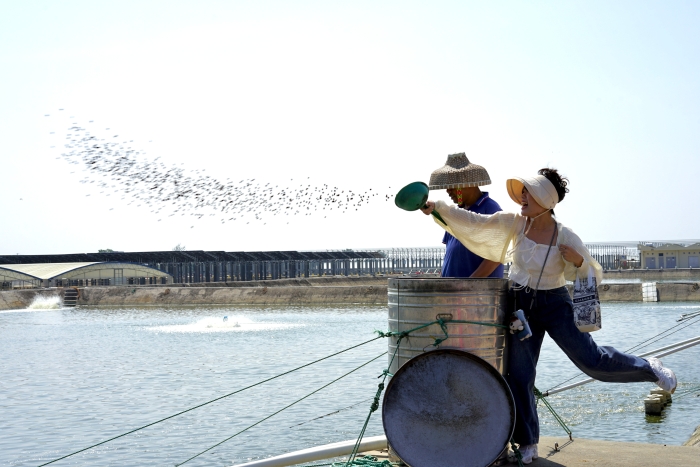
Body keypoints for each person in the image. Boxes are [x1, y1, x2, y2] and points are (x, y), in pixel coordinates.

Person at [420, 168, 677, 465]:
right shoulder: (514, 224)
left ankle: (649, 367)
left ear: (545, 198)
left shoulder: (565, 235)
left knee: (592, 361)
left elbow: (592, 274)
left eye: (528, 193)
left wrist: (579, 261)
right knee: (520, 376)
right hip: (519, 305)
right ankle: (527, 441)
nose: (522, 198)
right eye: (523, 193)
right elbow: (475, 222)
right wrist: (439, 208)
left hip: (555, 304)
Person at [428, 153, 504, 278]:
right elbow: (450, 253)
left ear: (466, 183)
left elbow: (497, 255)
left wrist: (470, 283)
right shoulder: (456, 214)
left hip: (475, 294)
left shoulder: (490, 209)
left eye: (452, 186)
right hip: (454, 292)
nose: (448, 190)